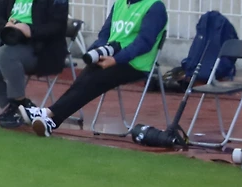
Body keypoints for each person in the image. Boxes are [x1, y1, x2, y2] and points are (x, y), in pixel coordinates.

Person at [27, 0, 167, 137]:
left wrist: (116, 59)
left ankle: (47, 113)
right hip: (111, 57)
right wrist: (97, 51)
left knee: (93, 80)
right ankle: (51, 121)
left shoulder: (155, 7)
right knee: (84, 80)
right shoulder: (119, 4)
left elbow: (144, 43)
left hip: (136, 65)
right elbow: (104, 34)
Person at [0, 0, 69, 128]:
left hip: (42, 51)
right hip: (10, 45)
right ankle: (22, 107)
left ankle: (17, 104)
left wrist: (30, 30)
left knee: (7, 53)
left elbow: (58, 26)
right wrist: (5, 27)